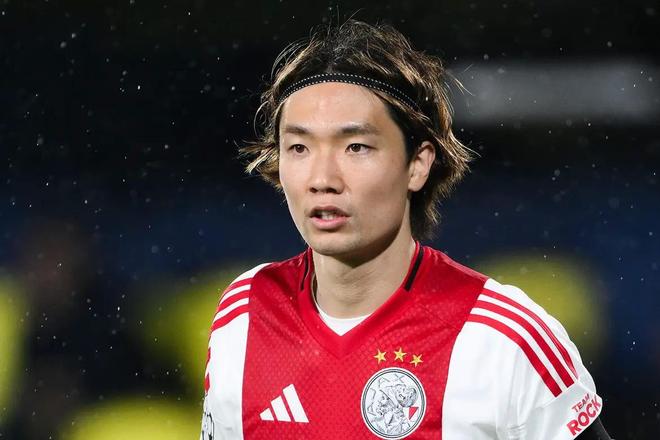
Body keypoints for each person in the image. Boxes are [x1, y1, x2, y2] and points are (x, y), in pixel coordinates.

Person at [200, 20, 612, 440]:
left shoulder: (504, 340)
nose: (322, 178)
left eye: (356, 147)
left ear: (417, 164)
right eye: (299, 148)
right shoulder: (244, 313)